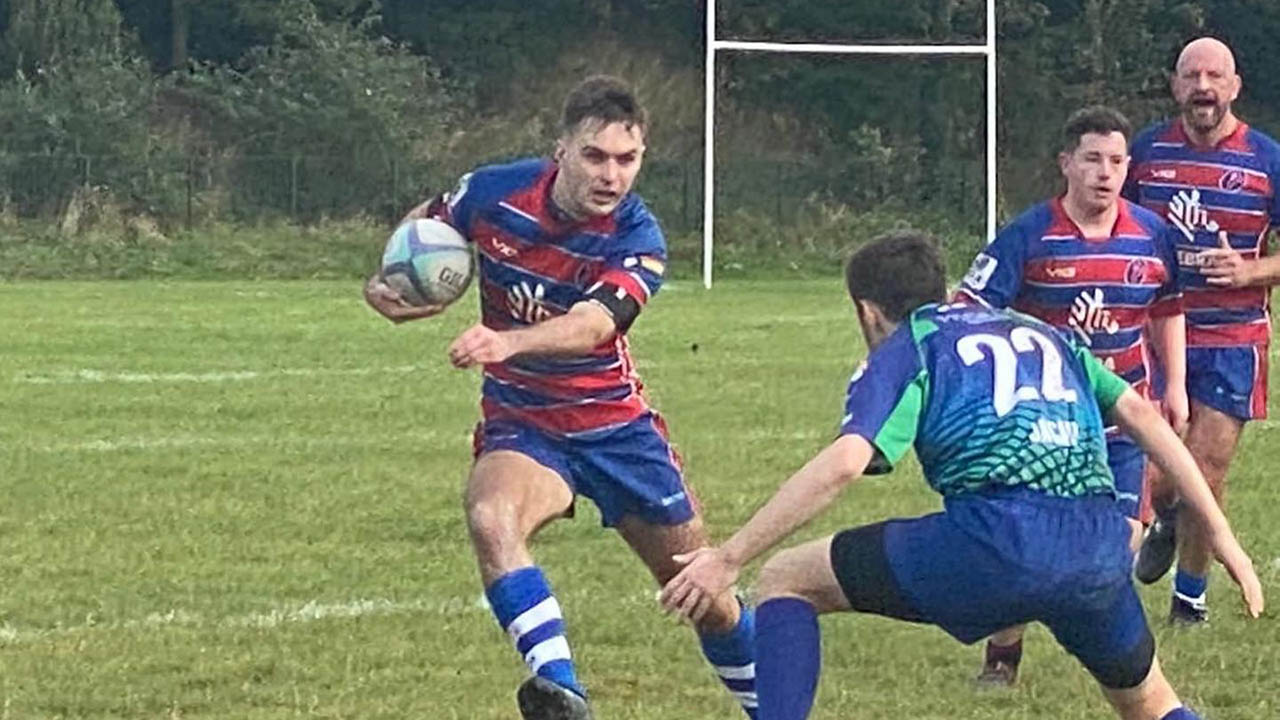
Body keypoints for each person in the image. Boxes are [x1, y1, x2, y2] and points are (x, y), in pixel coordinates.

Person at [658, 231, 1262, 720]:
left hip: (997, 543)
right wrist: (1222, 534)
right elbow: (1140, 415)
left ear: (867, 313)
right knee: (1152, 704)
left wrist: (731, 556)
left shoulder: (909, 347)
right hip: (1097, 550)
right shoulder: (1040, 332)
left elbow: (847, 461)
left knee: (786, 578)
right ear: (943, 290)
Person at [364, 76, 757, 720]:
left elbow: (593, 326)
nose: (612, 175)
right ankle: (561, 692)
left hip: (617, 429)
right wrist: (392, 280)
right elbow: (427, 220)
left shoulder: (640, 239)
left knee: (702, 595)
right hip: (524, 424)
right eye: (595, 157)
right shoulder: (495, 191)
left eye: (627, 160)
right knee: (492, 518)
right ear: (562, 151)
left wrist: (507, 343)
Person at [953, 106, 1186, 684]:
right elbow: (968, 309)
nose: (1104, 172)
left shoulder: (1152, 235)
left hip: (1124, 421)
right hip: (1045, 423)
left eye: (1116, 161)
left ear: (1128, 167)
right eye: (1092, 159)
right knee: (1020, 544)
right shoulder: (1029, 234)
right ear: (1066, 164)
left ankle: (1121, 657)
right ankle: (1002, 660)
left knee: (1112, 553)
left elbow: (1168, 308)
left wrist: (1176, 385)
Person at [1123, 36, 1280, 624]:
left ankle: (1189, 602)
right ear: (1176, 85)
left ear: (1235, 86)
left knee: (1207, 471)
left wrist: (1250, 269)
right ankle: (1163, 513)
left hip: (1233, 338)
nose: (1203, 88)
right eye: (1192, 77)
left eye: (1215, 77)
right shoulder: (1146, 153)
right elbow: (1117, 224)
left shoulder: (1266, 159)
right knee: (1156, 473)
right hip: (1158, 334)